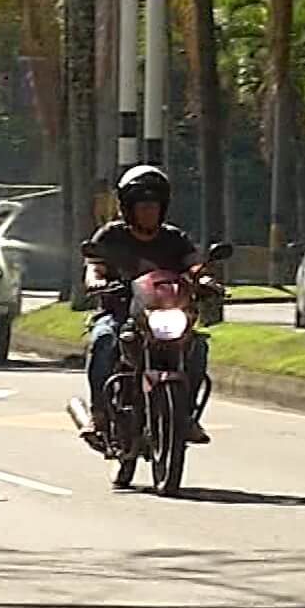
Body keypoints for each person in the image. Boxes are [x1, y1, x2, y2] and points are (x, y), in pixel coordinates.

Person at [82, 166, 213, 445]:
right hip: (119, 314)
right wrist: (97, 283)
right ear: (129, 208)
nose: (148, 211)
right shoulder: (110, 236)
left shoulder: (174, 238)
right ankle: (99, 414)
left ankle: (186, 416)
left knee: (198, 347)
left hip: (165, 315)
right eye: (142, 206)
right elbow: (95, 267)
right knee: (103, 340)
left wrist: (206, 279)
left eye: (154, 206)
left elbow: (194, 265)